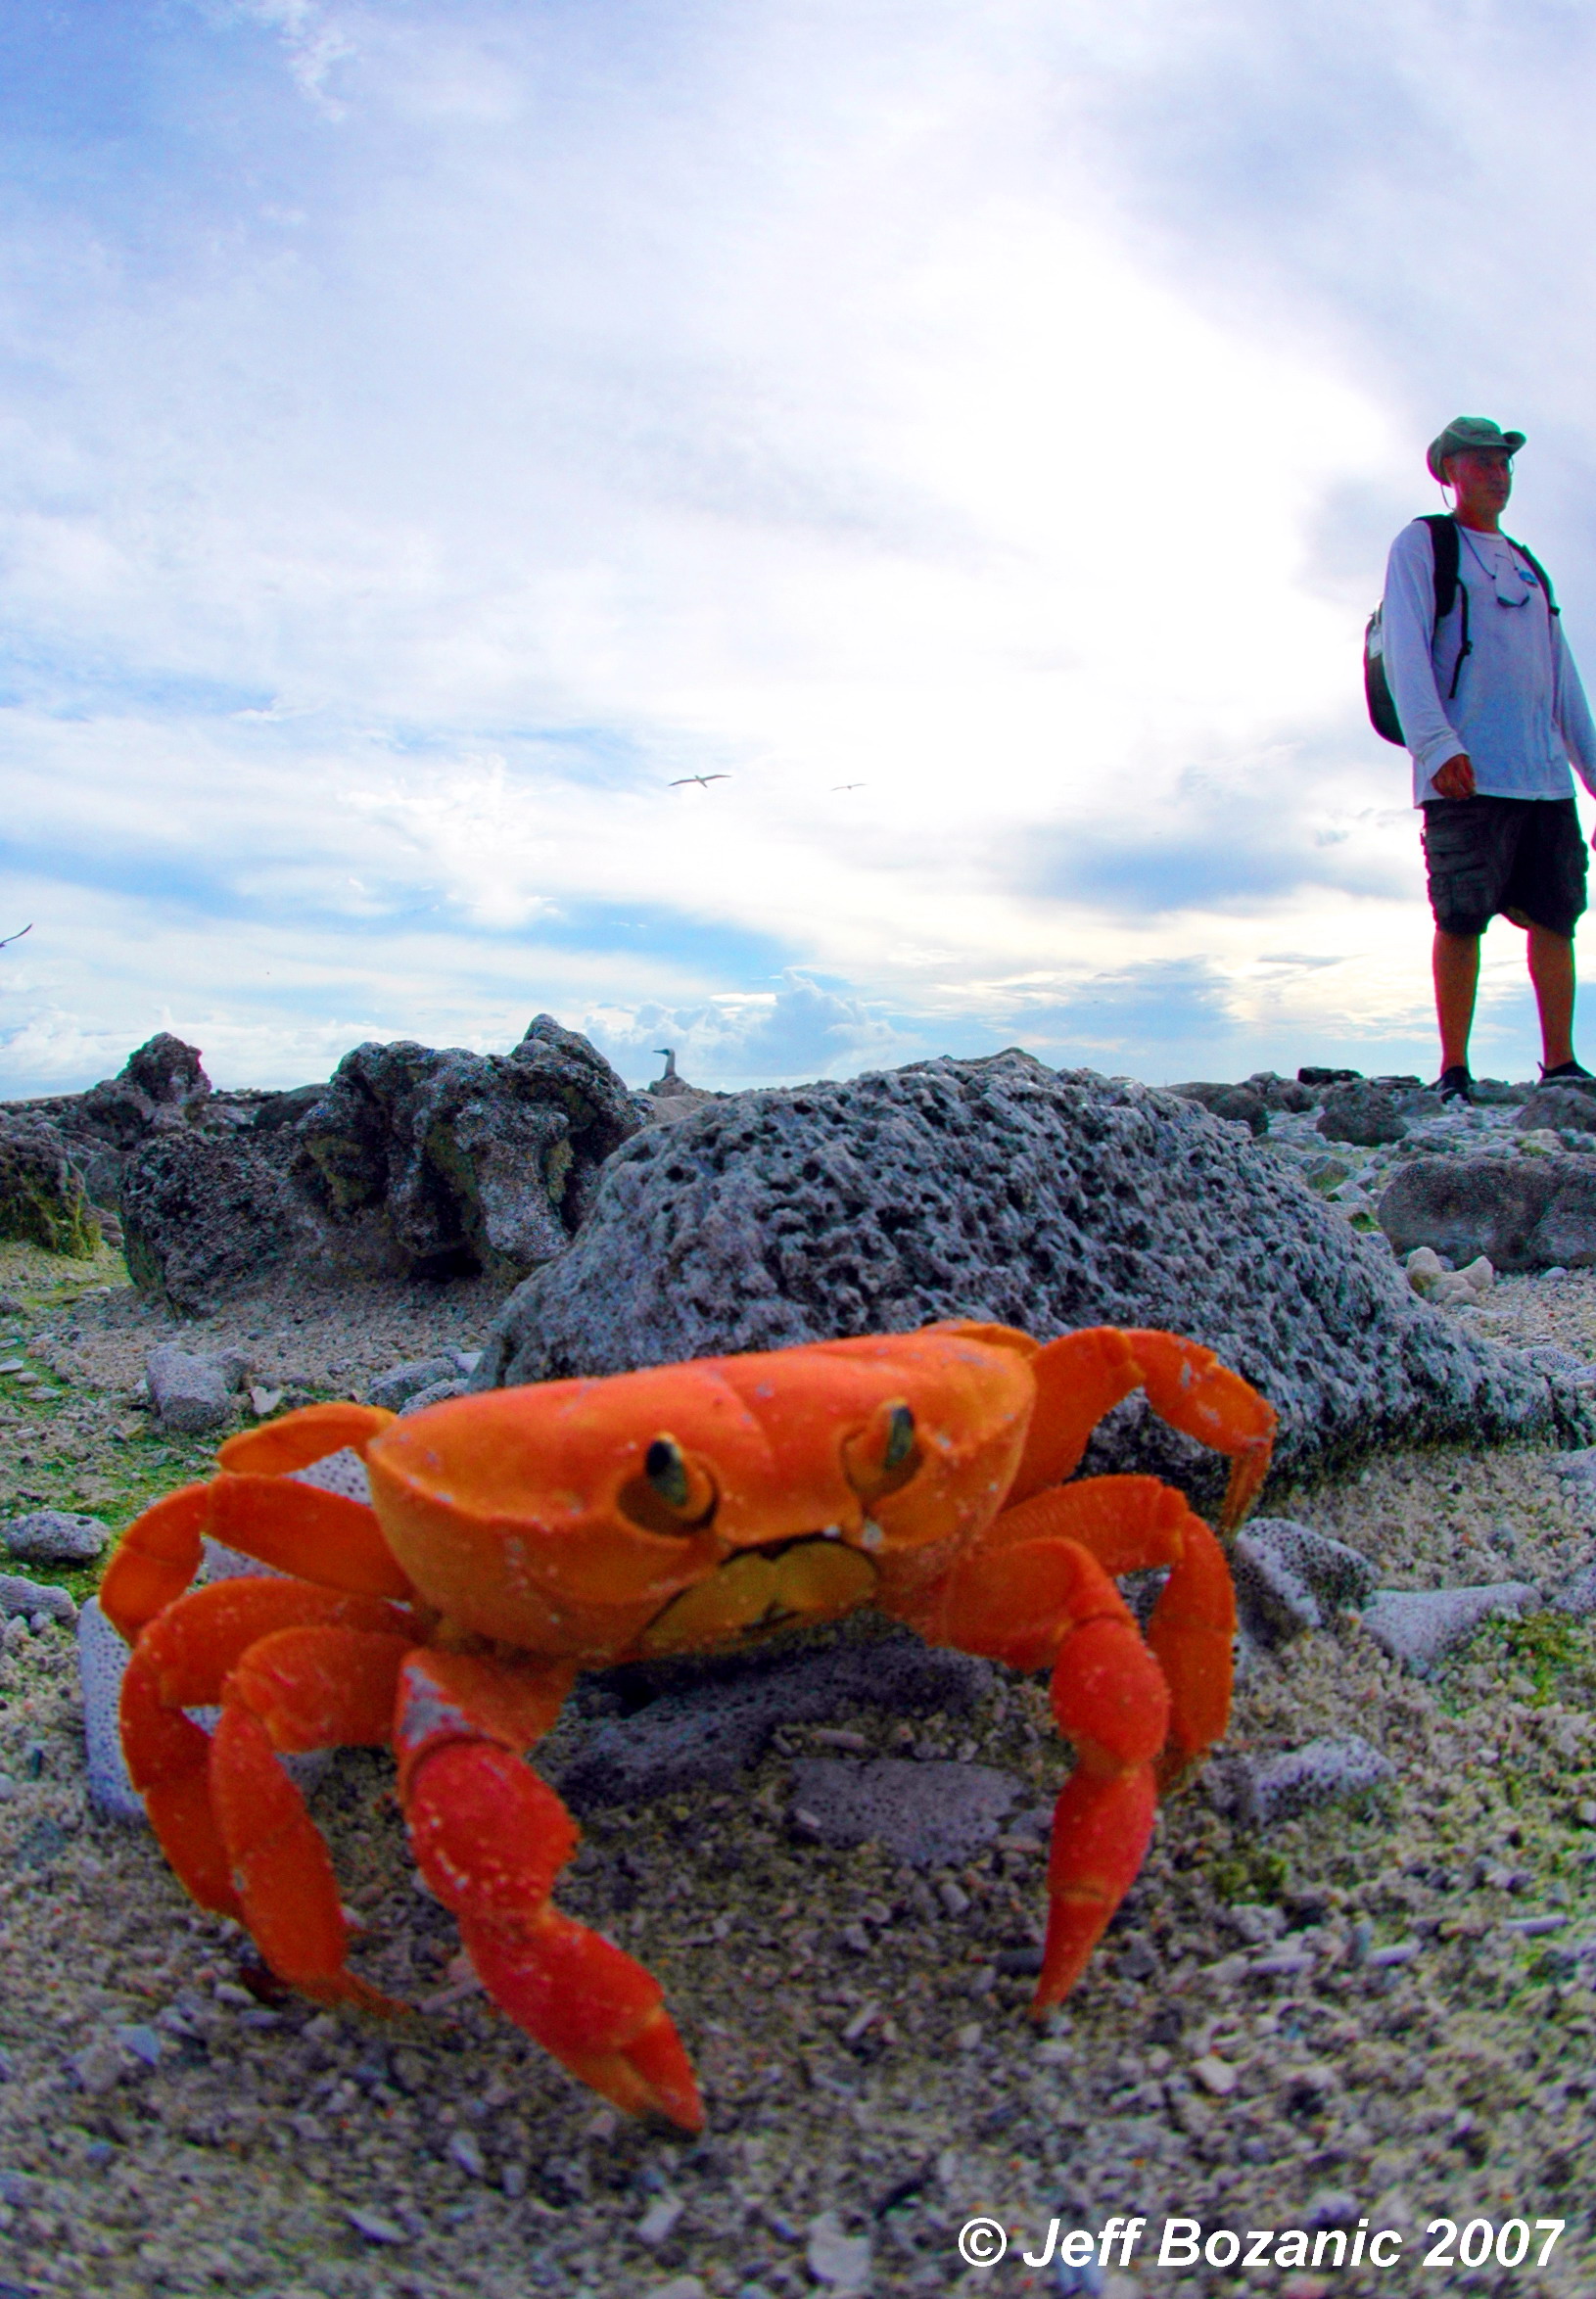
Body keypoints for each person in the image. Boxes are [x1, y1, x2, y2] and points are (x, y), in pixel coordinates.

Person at [1381, 415, 1596, 1103]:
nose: (1496, 473)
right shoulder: (1424, 544)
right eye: (1480, 462)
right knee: (1461, 915)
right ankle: (1454, 1070)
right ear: (1449, 472)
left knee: (1556, 916)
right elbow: (1406, 651)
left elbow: (1561, 679)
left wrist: (1593, 775)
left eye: (1503, 462)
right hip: (1465, 775)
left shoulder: (1529, 565)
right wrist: (1437, 745)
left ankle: (1560, 1066)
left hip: (1542, 778)